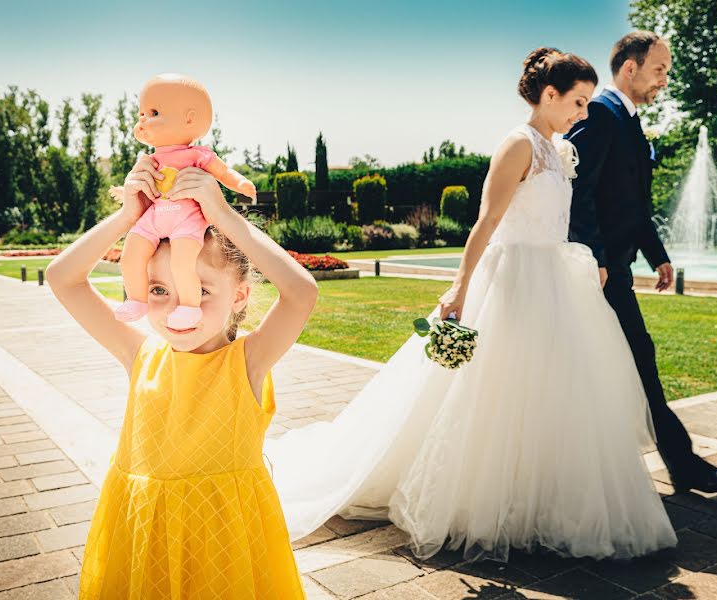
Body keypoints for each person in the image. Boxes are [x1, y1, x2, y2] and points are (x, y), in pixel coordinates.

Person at [264, 48, 676, 562]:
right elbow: (486, 222)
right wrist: (459, 288)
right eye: (578, 102)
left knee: (551, 388)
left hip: (555, 279)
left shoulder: (562, 149)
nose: (584, 114)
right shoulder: (518, 144)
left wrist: (588, 258)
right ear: (549, 95)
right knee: (491, 390)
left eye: (588, 103)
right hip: (513, 281)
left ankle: (537, 493)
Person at [46, 156, 315, 599]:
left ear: (240, 296)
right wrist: (129, 216)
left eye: (200, 289)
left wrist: (223, 216)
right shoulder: (139, 354)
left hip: (221, 548)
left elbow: (302, 293)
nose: (175, 309)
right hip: (143, 537)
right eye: (157, 289)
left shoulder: (248, 362)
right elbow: (63, 279)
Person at [567, 30, 717, 493]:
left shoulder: (628, 121)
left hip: (617, 270)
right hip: (599, 274)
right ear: (630, 68)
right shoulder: (601, 116)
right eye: (659, 70)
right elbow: (574, 194)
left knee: (625, 366)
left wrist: (659, 255)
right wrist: (598, 261)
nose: (664, 81)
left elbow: (632, 203)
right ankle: (679, 468)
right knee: (633, 364)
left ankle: (662, 467)